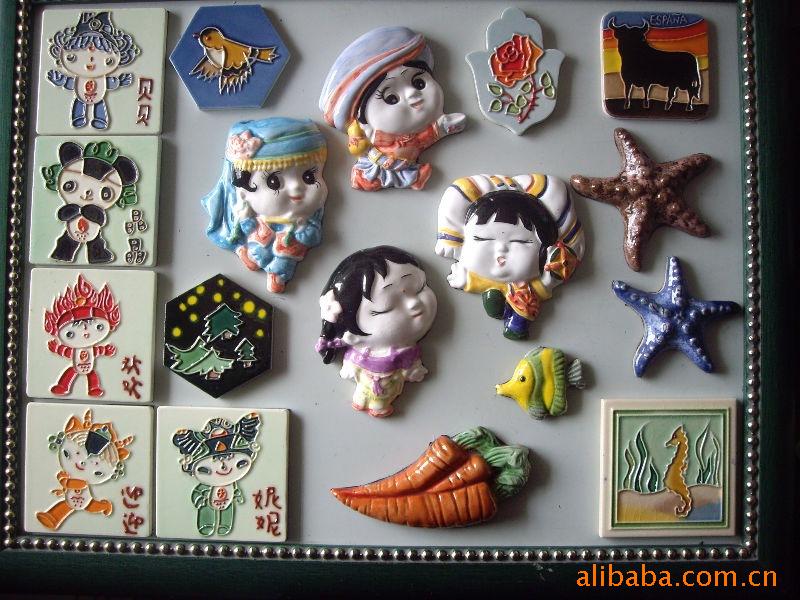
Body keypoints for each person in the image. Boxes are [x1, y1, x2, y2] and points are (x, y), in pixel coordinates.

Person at [319, 26, 465, 191]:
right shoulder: (378, 140)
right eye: (391, 98)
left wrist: (446, 126)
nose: (412, 93)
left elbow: (429, 135)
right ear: (363, 117)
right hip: (382, 165)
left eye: (419, 83)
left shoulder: (417, 134)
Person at [202, 118, 328, 293]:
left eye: (309, 177)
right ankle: (251, 256)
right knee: (258, 249)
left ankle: (278, 274)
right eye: (274, 181)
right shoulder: (247, 212)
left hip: (289, 247)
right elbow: (246, 227)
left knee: (285, 259)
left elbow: (313, 237)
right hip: (261, 237)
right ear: (243, 191)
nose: (296, 187)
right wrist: (245, 219)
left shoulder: (306, 221)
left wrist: (302, 230)